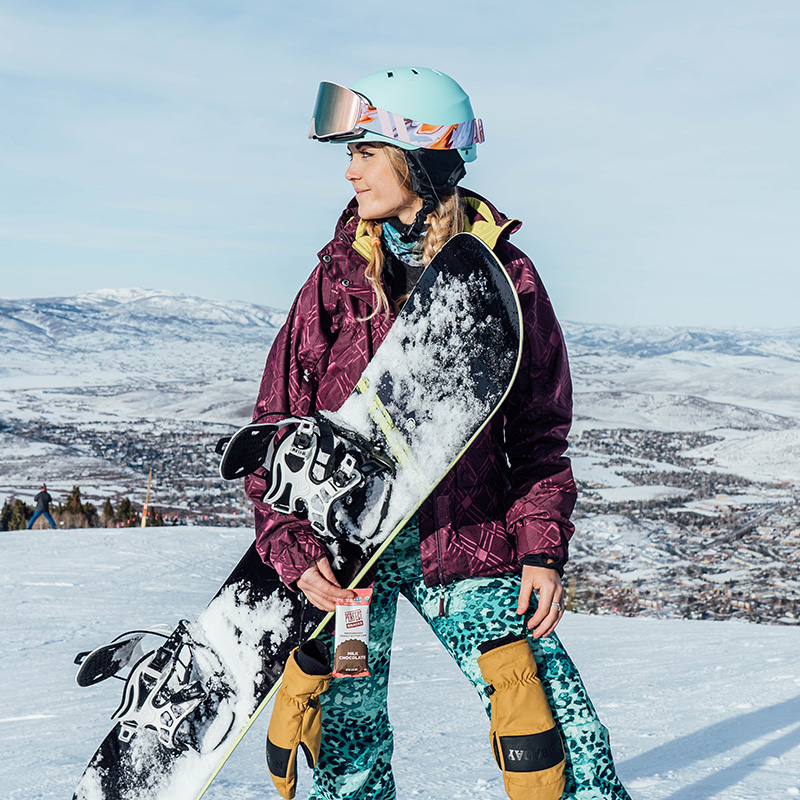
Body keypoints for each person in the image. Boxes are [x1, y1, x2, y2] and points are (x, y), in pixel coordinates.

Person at [246, 68, 630, 800]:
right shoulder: (336, 280)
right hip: (350, 573)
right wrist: (293, 551)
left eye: (367, 150)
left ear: (417, 158)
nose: (350, 169)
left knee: (553, 730)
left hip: (470, 548)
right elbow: (278, 423)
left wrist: (541, 549)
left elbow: (541, 430)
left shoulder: (504, 278)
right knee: (346, 742)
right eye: (350, 152)